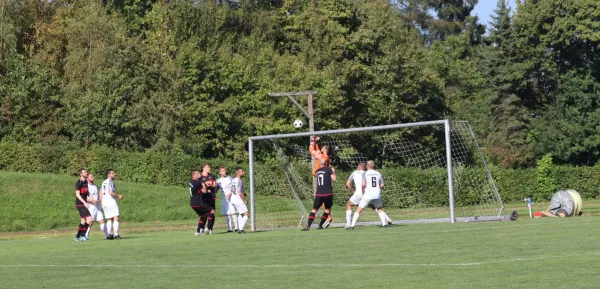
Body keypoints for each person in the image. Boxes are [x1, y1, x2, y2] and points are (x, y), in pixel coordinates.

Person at [345, 163, 392, 228]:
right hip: (372, 193)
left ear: (358, 167)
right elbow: (381, 184)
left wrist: (352, 190)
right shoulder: (373, 173)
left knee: (349, 205)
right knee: (375, 206)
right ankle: (386, 218)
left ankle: (349, 224)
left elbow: (348, 184)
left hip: (360, 193)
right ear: (364, 168)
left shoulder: (355, 173)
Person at [301, 160, 336, 231]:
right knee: (327, 210)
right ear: (326, 164)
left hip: (319, 193)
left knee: (314, 210)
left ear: (320, 164)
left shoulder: (317, 171)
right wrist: (333, 172)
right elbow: (334, 179)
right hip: (328, 193)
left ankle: (308, 226)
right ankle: (320, 225)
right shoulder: (328, 169)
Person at [309, 136, 335, 226]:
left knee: (321, 198)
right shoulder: (325, 157)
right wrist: (316, 142)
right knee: (324, 199)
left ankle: (328, 217)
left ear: (326, 150)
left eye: (324, 147)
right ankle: (328, 217)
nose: (322, 147)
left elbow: (311, 150)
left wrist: (312, 140)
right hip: (323, 177)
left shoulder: (322, 157)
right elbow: (317, 149)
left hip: (320, 177)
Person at [189, 169, 215, 236]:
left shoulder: (191, 182)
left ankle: (198, 232)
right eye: (198, 173)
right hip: (198, 202)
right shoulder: (198, 182)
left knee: (203, 215)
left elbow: (197, 190)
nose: (199, 174)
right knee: (211, 211)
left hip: (192, 203)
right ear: (194, 175)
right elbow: (204, 191)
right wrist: (207, 188)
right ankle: (208, 229)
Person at [85, 173, 109, 240]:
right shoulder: (86, 186)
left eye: (93, 176)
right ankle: (86, 235)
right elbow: (84, 197)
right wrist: (92, 200)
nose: (93, 178)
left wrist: (99, 201)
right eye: (91, 177)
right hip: (90, 206)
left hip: (97, 206)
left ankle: (107, 235)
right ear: (87, 178)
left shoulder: (95, 186)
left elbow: (98, 194)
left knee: (101, 220)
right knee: (90, 221)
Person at [101, 169, 123, 240]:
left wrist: (101, 201)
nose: (114, 174)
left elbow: (101, 191)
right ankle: (116, 234)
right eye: (113, 173)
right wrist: (118, 196)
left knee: (109, 218)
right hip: (110, 200)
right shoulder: (110, 181)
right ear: (109, 174)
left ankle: (109, 234)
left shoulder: (104, 182)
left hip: (105, 201)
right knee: (116, 217)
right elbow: (110, 192)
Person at [199, 163, 218, 235]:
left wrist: (211, 185)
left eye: (209, 167)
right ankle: (201, 228)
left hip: (212, 196)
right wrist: (205, 187)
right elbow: (200, 187)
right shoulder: (200, 177)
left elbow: (215, 185)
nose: (209, 168)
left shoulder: (211, 176)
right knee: (205, 213)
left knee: (212, 212)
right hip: (204, 197)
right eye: (208, 167)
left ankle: (209, 228)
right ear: (203, 168)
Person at [74, 168, 92, 242]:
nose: (86, 173)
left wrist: (93, 200)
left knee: (83, 220)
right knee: (90, 219)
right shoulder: (79, 183)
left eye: (86, 172)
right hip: (80, 204)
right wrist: (84, 202)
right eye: (85, 172)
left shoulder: (85, 183)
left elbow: (85, 195)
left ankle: (78, 236)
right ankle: (83, 235)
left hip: (83, 203)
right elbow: (78, 195)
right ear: (81, 174)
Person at [229, 167, 249, 234]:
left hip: (233, 199)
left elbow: (232, 190)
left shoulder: (233, 179)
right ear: (239, 173)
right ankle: (240, 229)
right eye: (242, 171)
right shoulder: (239, 180)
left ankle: (239, 228)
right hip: (238, 199)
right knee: (246, 213)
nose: (243, 172)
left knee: (241, 213)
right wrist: (245, 199)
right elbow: (239, 192)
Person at [216, 167, 235, 232]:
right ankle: (230, 229)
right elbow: (216, 190)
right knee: (226, 214)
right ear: (220, 172)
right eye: (223, 171)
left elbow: (234, 186)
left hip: (231, 197)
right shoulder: (218, 181)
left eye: (225, 170)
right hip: (224, 199)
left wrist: (230, 193)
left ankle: (236, 228)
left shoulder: (229, 178)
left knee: (233, 213)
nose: (225, 172)